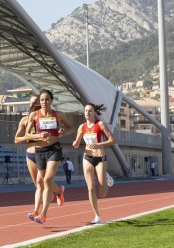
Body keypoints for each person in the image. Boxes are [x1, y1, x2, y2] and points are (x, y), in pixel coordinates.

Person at [24, 89, 74, 224]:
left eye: (47, 99)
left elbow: (71, 127)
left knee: (47, 180)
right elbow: (27, 135)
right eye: (42, 100)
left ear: (51, 100)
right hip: (39, 151)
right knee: (45, 183)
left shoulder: (59, 115)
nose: (44, 102)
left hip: (54, 149)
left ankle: (43, 214)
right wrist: (38, 135)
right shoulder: (34, 115)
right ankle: (59, 192)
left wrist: (64, 133)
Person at [15, 94, 66, 221]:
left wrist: (58, 134)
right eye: (31, 103)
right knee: (38, 185)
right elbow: (16, 139)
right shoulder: (25, 120)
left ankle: (39, 210)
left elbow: (53, 132)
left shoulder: (44, 117)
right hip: (30, 154)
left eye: (35, 103)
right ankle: (57, 191)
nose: (34, 105)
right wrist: (32, 136)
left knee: (42, 182)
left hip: (43, 151)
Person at [72, 103, 117, 225]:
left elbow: (113, 140)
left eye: (90, 111)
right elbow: (77, 141)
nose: (87, 113)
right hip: (87, 158)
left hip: (100, 158)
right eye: (86, 111)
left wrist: (99, 144)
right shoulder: (81, 127)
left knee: (101, 193)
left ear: (95, 112)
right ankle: (97, 215)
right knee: (90, 188)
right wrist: (75, 143)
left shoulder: (100, 125)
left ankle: (106, 176)